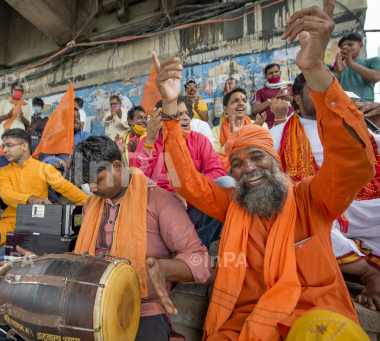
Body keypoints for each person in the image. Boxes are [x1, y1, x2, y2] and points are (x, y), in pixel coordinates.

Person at [152, 0, 375, 337]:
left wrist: (315, 68)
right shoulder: (234, 204)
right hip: (245, 326)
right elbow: (186, 182)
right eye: (237, 163)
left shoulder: (312, 199)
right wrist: (170, 109)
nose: (247, 169)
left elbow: (353, 162)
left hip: (317, 325)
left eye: (257, 157)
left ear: (276, 161)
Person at [0, 135, 212, 341]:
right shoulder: (92, 204)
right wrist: (42, 262)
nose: (92, 189)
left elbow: (200, 261)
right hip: (80, 300)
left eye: (97, 180)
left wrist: (164, 268)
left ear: (117, 167)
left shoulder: (161, 202)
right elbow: (81, 259)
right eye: (87, 183)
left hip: (138, 307)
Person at [271, 71, 380, 312]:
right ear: (297, 98)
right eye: (316, 88)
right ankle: (368, 273)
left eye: (329, 88)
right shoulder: (277, 135)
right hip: (321, 209)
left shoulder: (359, 123)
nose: (326, 94)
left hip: (371, 202)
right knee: (292, 217)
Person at [0, 128, 88, 310]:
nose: (3, 150)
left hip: (33, 225)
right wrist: (30, 198)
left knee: (9, 253)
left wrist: (90, 202)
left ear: (24, 146)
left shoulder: (44, 168)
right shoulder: (3, 172)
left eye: (8, 145)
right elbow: (6, 196)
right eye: (2, 146)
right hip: (9, 222)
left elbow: (67, 189)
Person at [133, 96, 229, 249]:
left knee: (224, 184)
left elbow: (217, 172)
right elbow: (138, 179)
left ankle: (199, 247)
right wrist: (150, 140)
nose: (185, 119)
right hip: (162, 212)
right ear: (161, 120)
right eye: (178, 115)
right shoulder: (148, 142)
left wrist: (187, 193)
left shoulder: (199, 140)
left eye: (186, 114)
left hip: (192, 205)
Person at [212, 88, 267, 153]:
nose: (241, 103)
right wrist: (234, 139)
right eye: (235, 101)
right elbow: (216, 157)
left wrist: (253, 133)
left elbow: (266, 152)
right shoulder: (215, 131)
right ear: (225, 109)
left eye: (244, 101)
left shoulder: (260, 125)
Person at [0, 82, 31, 158]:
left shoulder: (25, 105)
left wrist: (22, 117)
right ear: (12, 90)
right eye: (17, 90)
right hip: (4, 138)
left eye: (21, 91)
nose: (19, 92)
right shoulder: (4, 103)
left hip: (19, 138)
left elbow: (28, 123)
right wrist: (8, 115)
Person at [336, 33, 380, 103]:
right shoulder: (339, 67)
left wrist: (350, 63)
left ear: (360, 45)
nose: (346, 48)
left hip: (364, 106)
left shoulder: (372, 61)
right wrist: (339, 72)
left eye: (350, 45)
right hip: (342, 107)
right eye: (342, 47)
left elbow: (376, 77)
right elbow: (328, 88)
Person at [251, 64, 294, 128]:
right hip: (271, 125)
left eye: (276, 71)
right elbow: (255, 109)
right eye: (270, 73)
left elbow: (301, 102)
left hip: (293, 122)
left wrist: (288, 98)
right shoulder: (260, 92)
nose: (274, 74)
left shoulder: (290, 87)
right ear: (266, 76)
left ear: (280, 72)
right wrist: (274, 97)